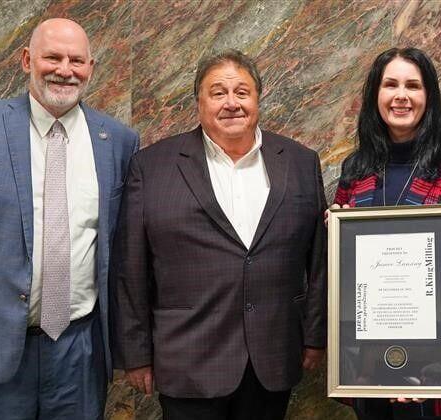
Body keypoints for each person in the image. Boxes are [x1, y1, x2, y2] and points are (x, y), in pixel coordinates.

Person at [0, 18, 139, 419]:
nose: (64, 70)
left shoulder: (117, 140)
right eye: (52, 57)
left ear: (91, 68)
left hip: (79, 350)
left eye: (76, 60)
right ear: (26, 60)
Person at [109, 49, 327, 420]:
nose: (232, 103)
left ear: (257, 98)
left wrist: (315, 335)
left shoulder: (300, 162)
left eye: (242, 92)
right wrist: (136, 355)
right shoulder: (152, 165)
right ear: (199, 102)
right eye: (218, 92)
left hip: (272, 357)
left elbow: (318, 260)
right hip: (188, 360)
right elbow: (131, 267)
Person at [333, 47, 441, 419]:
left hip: (439, 361)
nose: (401, 95)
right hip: (367, 363)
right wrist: (335, 235)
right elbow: (344, 279)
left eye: (413, 86)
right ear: (376, 95)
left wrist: (418, 365)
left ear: (428, 97)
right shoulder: (355, 168)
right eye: (390, 84)